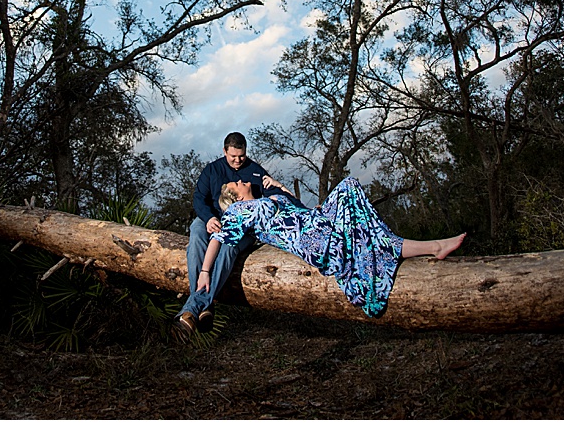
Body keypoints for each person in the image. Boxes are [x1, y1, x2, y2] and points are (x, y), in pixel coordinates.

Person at [198, 175, 465, 318]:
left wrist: (278, 186)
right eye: (237, 183)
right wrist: (205, 271)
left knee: (349, 186)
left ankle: (435, 247)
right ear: (234, 196)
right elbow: (218, 238)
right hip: (313, 240)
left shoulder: (268, 197)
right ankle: (435, 246)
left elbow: (299, 207)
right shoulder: (240, 211)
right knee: (367, 237)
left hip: (317, 220)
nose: (242, 180)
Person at [177, 132, 290, 333]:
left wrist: (277, 186)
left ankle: (193, 308)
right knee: (196, 235)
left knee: (230, 248)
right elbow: (198, 199)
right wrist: (209, 218)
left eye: (242, 156)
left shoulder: (255, 171)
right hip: (213, 218)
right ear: (224, 151)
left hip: (243, 226)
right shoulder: (212, 170)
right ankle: (205, 305)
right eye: (233, 156)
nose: (238, 160)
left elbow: (276, 196)